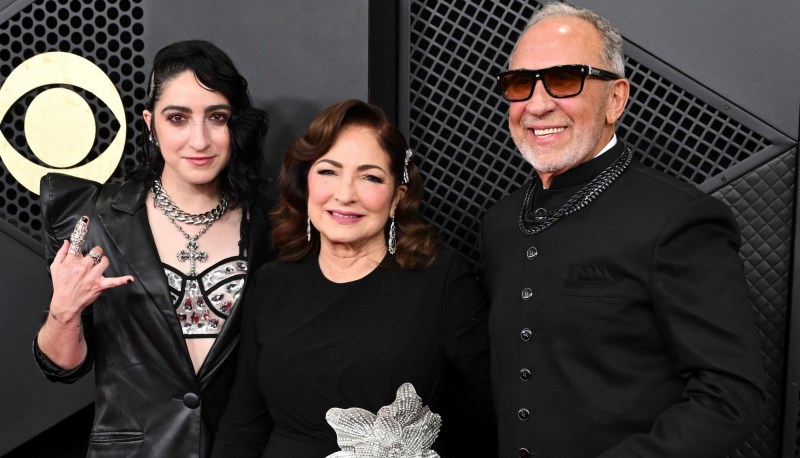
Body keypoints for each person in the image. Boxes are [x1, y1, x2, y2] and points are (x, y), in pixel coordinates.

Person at [481, 3, 767, 457]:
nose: (537, 104)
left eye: (563, 79)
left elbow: (731, 395)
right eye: (520, 84)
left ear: (616, 98)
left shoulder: (680, 219)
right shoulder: (499, 222)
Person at [212, 99, 496, 457]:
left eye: (370, 177)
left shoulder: (441, 280)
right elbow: (244, 423)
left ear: (397, 197)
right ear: (305, 183)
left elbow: (497, 411)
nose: (345, 194)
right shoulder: (271, 282)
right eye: (328, 171)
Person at [33, 40, 273, 457]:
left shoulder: (270, 227)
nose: (199, 140)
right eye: (177, 118)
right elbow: (63, 367)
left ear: (235, 124)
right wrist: (64, 310)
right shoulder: (93, 218)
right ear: (150, 123)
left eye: (216, 117)